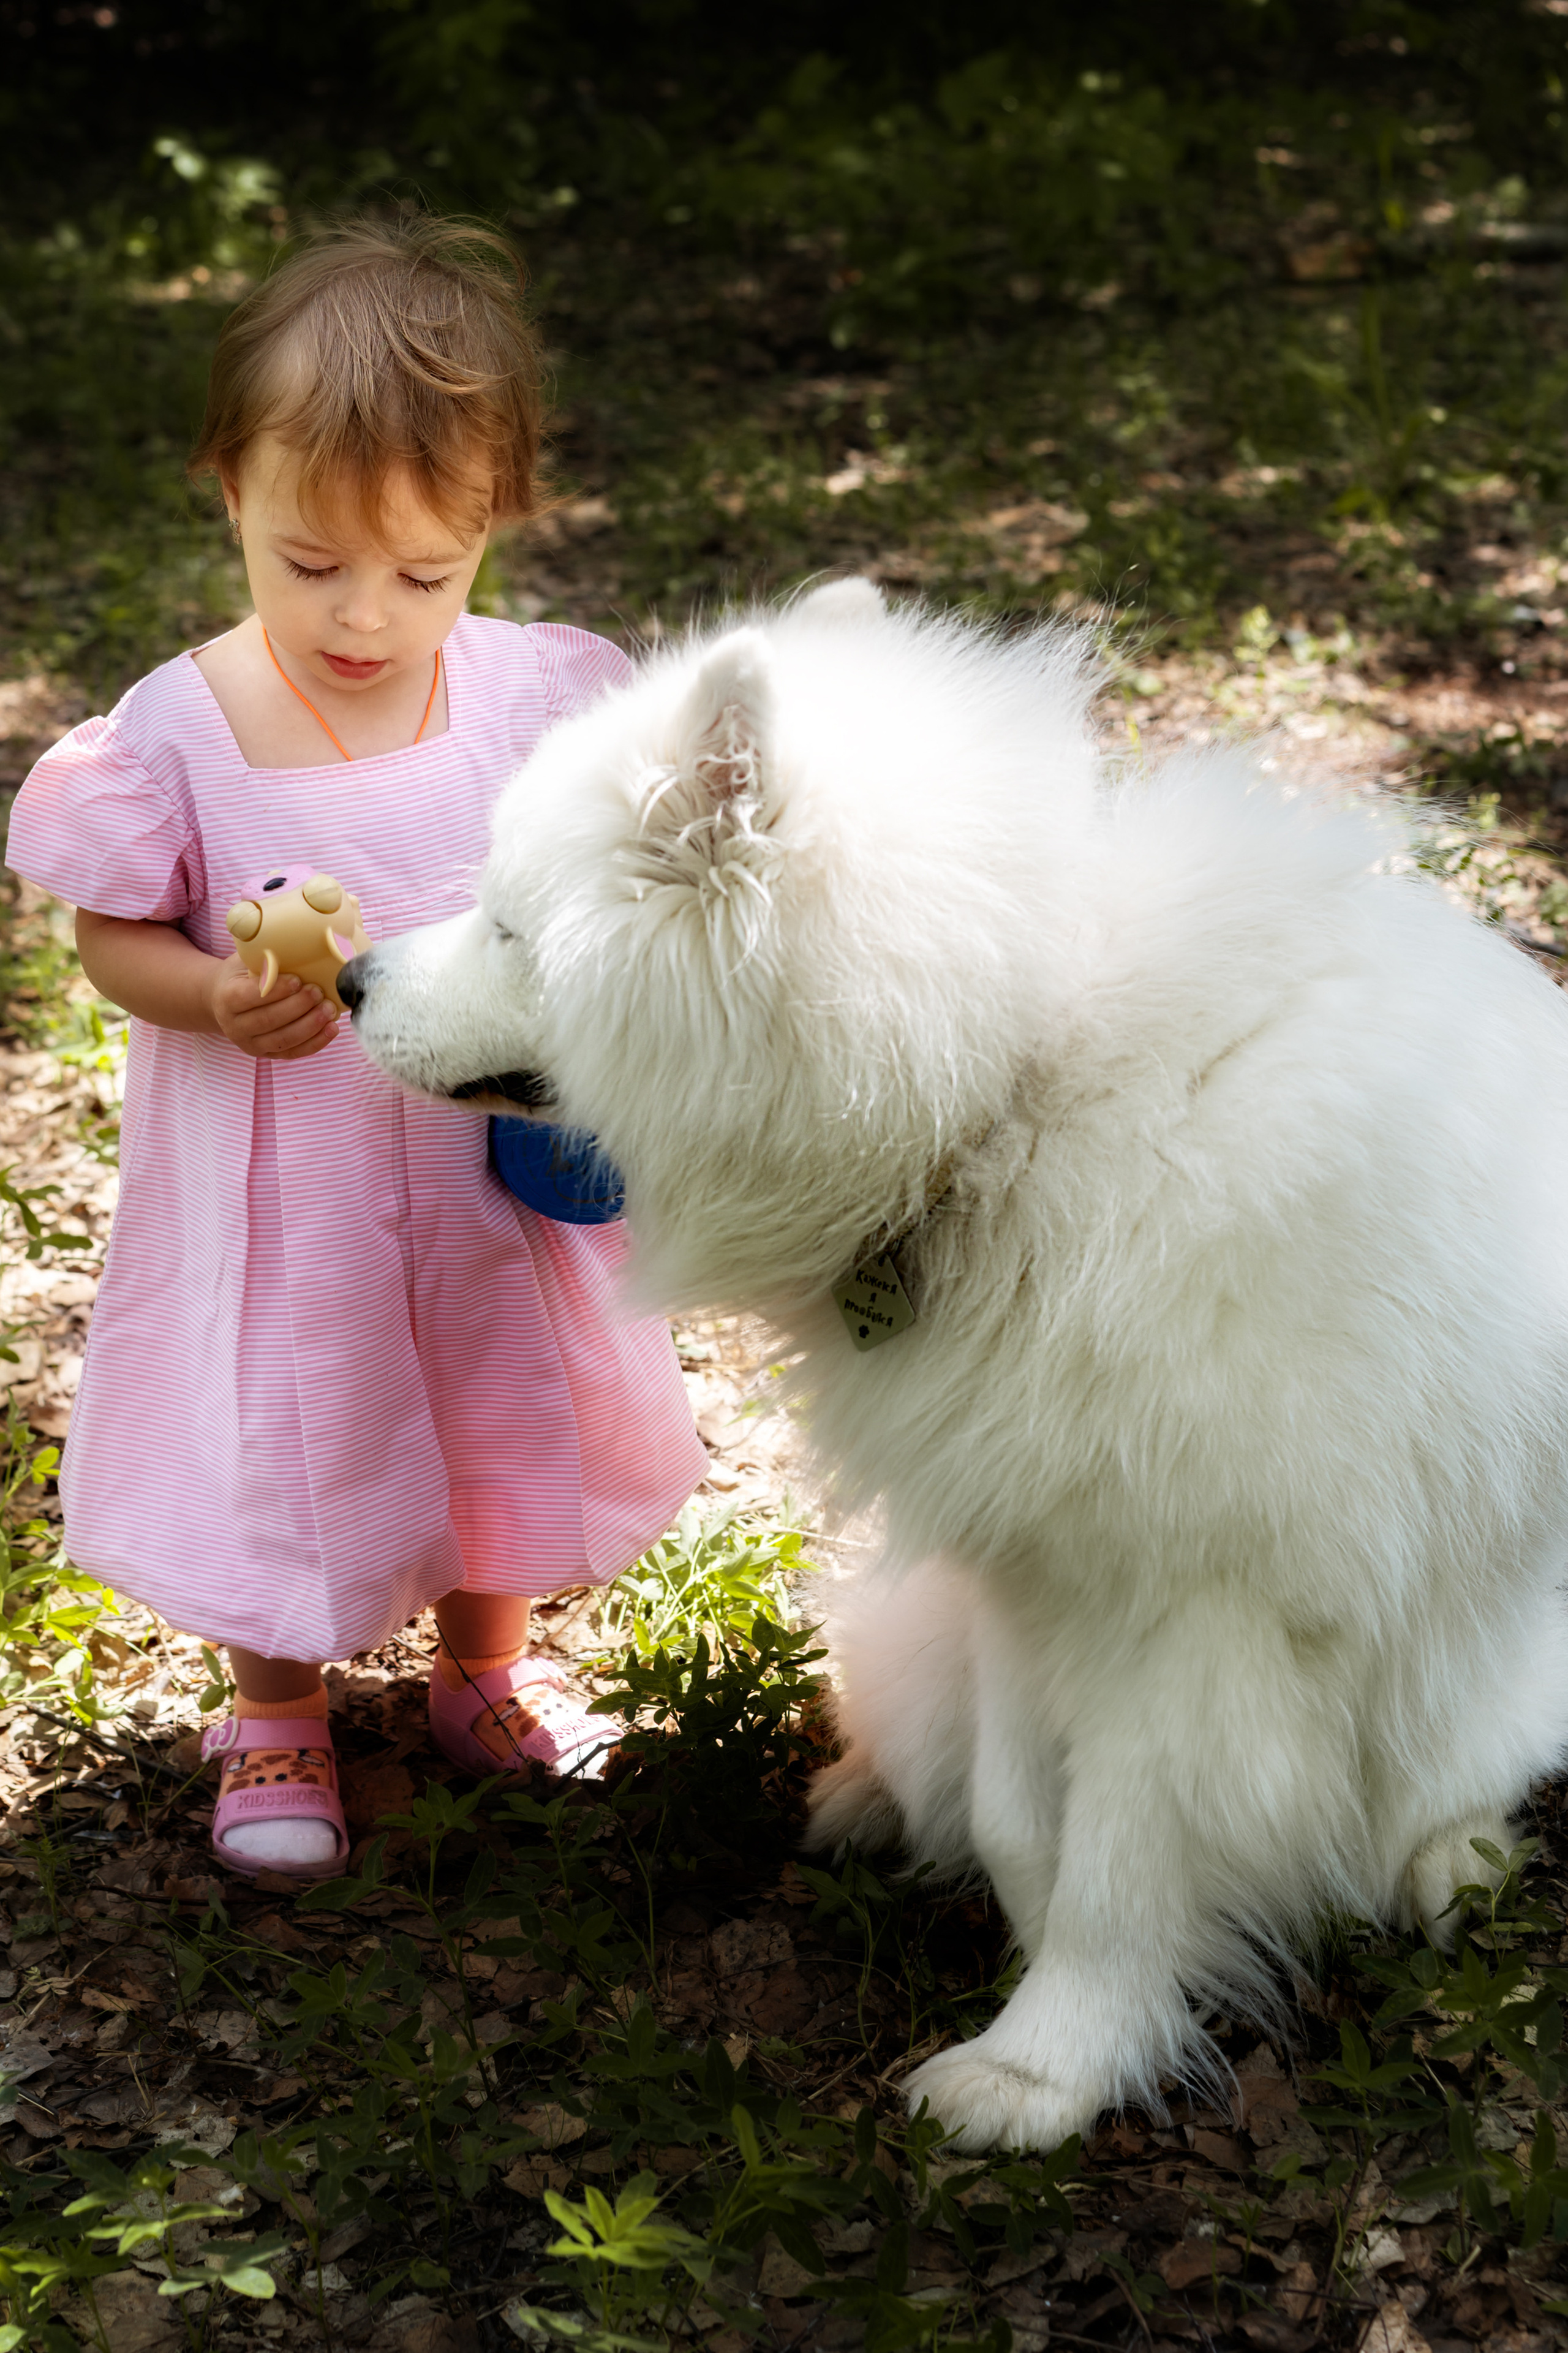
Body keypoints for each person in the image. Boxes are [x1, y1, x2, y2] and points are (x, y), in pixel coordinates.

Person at [4, 214, 707, 1881]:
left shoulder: (533, 699)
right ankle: (275, 1704)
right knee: (295, 1405)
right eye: (310, 561)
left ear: (490, 526)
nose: (366, 617)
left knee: (490, 1383)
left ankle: (482, 1664)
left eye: (423, 572)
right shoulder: (178, 727)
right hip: (287, 1168)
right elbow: (109, 937)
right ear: (229, 490)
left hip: (472, 1152)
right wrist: (210, 993)